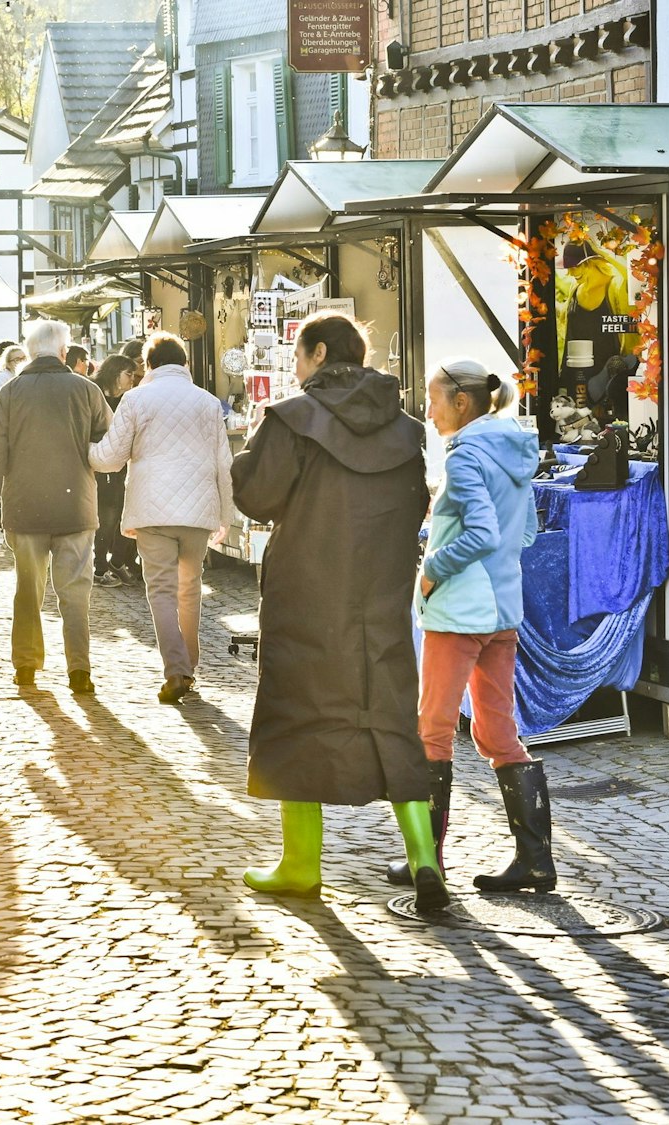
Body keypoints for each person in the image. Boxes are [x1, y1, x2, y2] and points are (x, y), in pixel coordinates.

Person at [229, 310, 448, 912]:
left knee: (298, 717)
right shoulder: (406, 431)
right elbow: (414, 508)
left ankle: (300, 865)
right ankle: (424, 857)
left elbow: (256, 494)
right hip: (380, 592)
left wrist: (247, 453)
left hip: (307, 587)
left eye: (299, 357)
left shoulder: (292, 419)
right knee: (388, 714)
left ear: (319, 355)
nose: (295, 370)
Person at [392, 357, 553, 893]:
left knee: (433, 730)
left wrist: (433, 570)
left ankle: (427, 860)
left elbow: (480, 533)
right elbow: (524, 533)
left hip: (460, 613)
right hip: (503, 611)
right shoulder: (513, 454)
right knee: (498, 733)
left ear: (462, 403)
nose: (428, 412)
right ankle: (535, 861)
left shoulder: (464, 459)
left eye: (434, 401)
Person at [89, 336, 234, 705]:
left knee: (162, 592)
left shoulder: (136, 399)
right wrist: (225, 514)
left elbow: (111, 457)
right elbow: (223, 463)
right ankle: (190, 666)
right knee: (190, 589)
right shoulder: (207, 402)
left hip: (153, 509)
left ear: (147, 365)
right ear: (184, 363)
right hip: (198, 511)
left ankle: (176, 670)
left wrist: (84, 451)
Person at [0, 320, 112, 695]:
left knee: (27, 590)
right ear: (64, 352)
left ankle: (26, 665)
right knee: (75, 592)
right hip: (76, 507)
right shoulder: (87, 390)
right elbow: (108, 443)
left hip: (25, 507)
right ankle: (79, 669)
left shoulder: (11, 392)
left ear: (30, 352)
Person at [89, 354, 139, 588]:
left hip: (121, 467)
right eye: (128, 374)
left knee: (121, 515)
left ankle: (117, 561)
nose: (132, 379)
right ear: (114, 372)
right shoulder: (94, 393)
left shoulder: (127, 399)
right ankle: (99, 567)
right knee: (106, 518)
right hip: (100, 465)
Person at [0, 343, 30, 414]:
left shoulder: (28, 375)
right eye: (17, 360)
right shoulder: (2, 378)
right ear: (8, 364)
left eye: (24, 358)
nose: (22, 362)